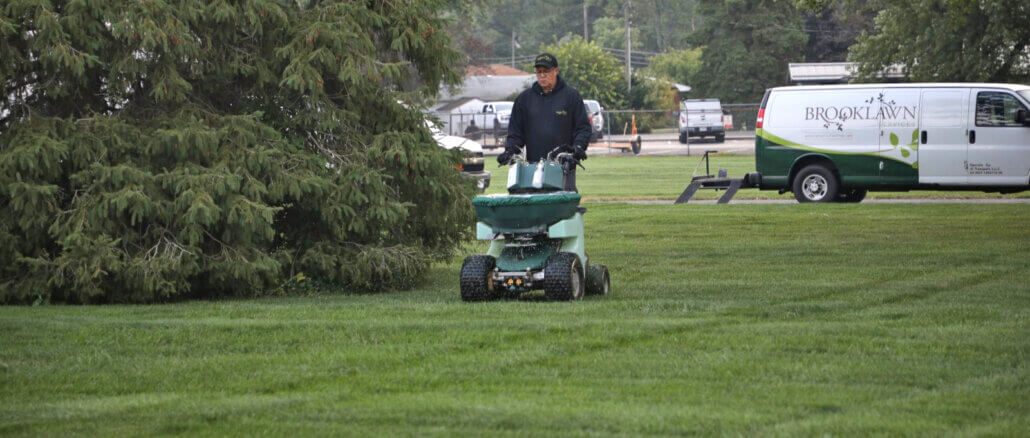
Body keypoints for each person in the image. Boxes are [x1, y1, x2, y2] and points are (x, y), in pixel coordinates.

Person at [497, 53, 592, 191]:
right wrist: (510, 150)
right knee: (535, 206)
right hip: (533, 166)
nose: (542, 75)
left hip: (563, 164)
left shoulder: (571, 97)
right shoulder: (524, 100)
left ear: (556, 71)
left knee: (564, 204)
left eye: (546, 71)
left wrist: (578, 147)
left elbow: (583, 128)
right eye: (539, 72)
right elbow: (516, 133)